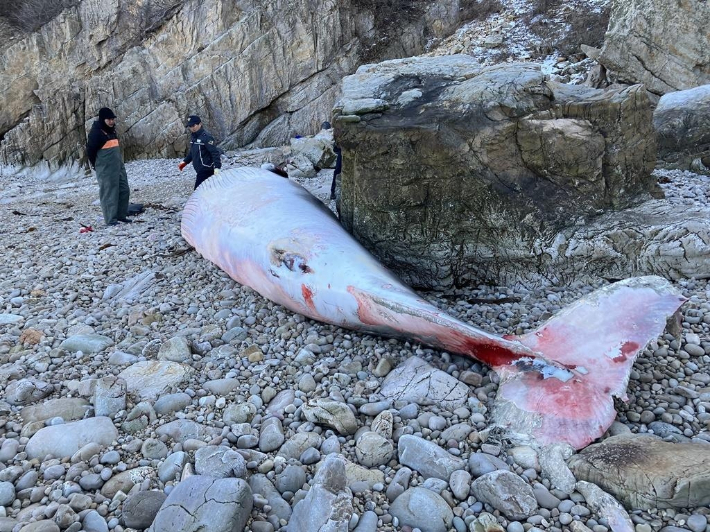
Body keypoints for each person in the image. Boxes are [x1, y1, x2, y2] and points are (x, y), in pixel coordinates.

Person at [86, 107, 131, 226]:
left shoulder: (112, 131)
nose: (111, 122)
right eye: (109, 119)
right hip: (105, 167)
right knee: (109, 192)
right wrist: (96, 165)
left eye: (113, 119)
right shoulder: (96, 133)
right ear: (102, 119)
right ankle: (110, 219)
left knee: (124, 189)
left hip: (118, 166)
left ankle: (121, 215)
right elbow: (90, 151)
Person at [178, 115, 222, 189]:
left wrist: (217, 167)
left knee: (197, 190)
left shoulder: (206, 137)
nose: (192, 128)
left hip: (206, 169)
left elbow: (214, 152)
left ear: (200, 124)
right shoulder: (193, 137)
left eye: (194, 125)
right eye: (190, 126)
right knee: (207, 189)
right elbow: (192, 152)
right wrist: (184, 162)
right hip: (199, 169)